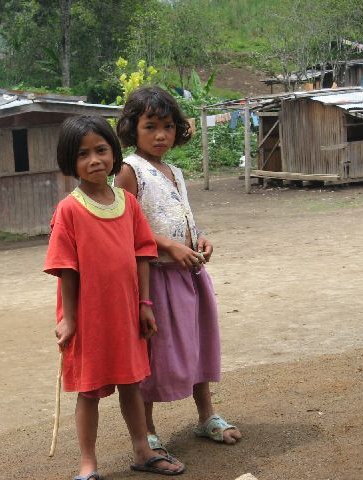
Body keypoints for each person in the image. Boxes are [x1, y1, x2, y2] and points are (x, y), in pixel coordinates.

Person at [44, 115, 185, 479]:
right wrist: (69, 318)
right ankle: (88, 464)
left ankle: (142, 450)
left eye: (101, 150)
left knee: (131, 385)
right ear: (68, 162)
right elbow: (65, 269)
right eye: (83, 154)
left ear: (113, 152)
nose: (94, 160)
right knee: (88, 391)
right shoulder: (69, 210)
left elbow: (143, 255)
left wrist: (145, 304)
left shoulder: (127, 203)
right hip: (89, 320)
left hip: (126, 314)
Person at [114, 86, 242, 456]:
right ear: (132, 129)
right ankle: (148, 431)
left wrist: (200, 239)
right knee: (153, 354)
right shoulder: (128, 170)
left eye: (168, 126)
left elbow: (185, 217)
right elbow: (123, 230)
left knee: (199, 342)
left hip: (190, 274)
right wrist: (168, 245)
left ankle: (207, 415)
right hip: (154, 278)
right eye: (150, 126)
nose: (160, 135)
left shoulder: (174, 171)